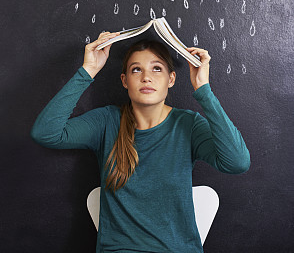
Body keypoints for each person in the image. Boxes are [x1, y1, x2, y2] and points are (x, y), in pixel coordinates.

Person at [31, 31, 250, 253]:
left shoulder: (188, 125)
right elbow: (46, 133)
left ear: (171, 79)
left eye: (157, 69)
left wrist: (203, 90)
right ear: (125, 81)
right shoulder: (106, 121)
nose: (147, 77)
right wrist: (88, 70)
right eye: (137, 69)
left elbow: (237, 162)